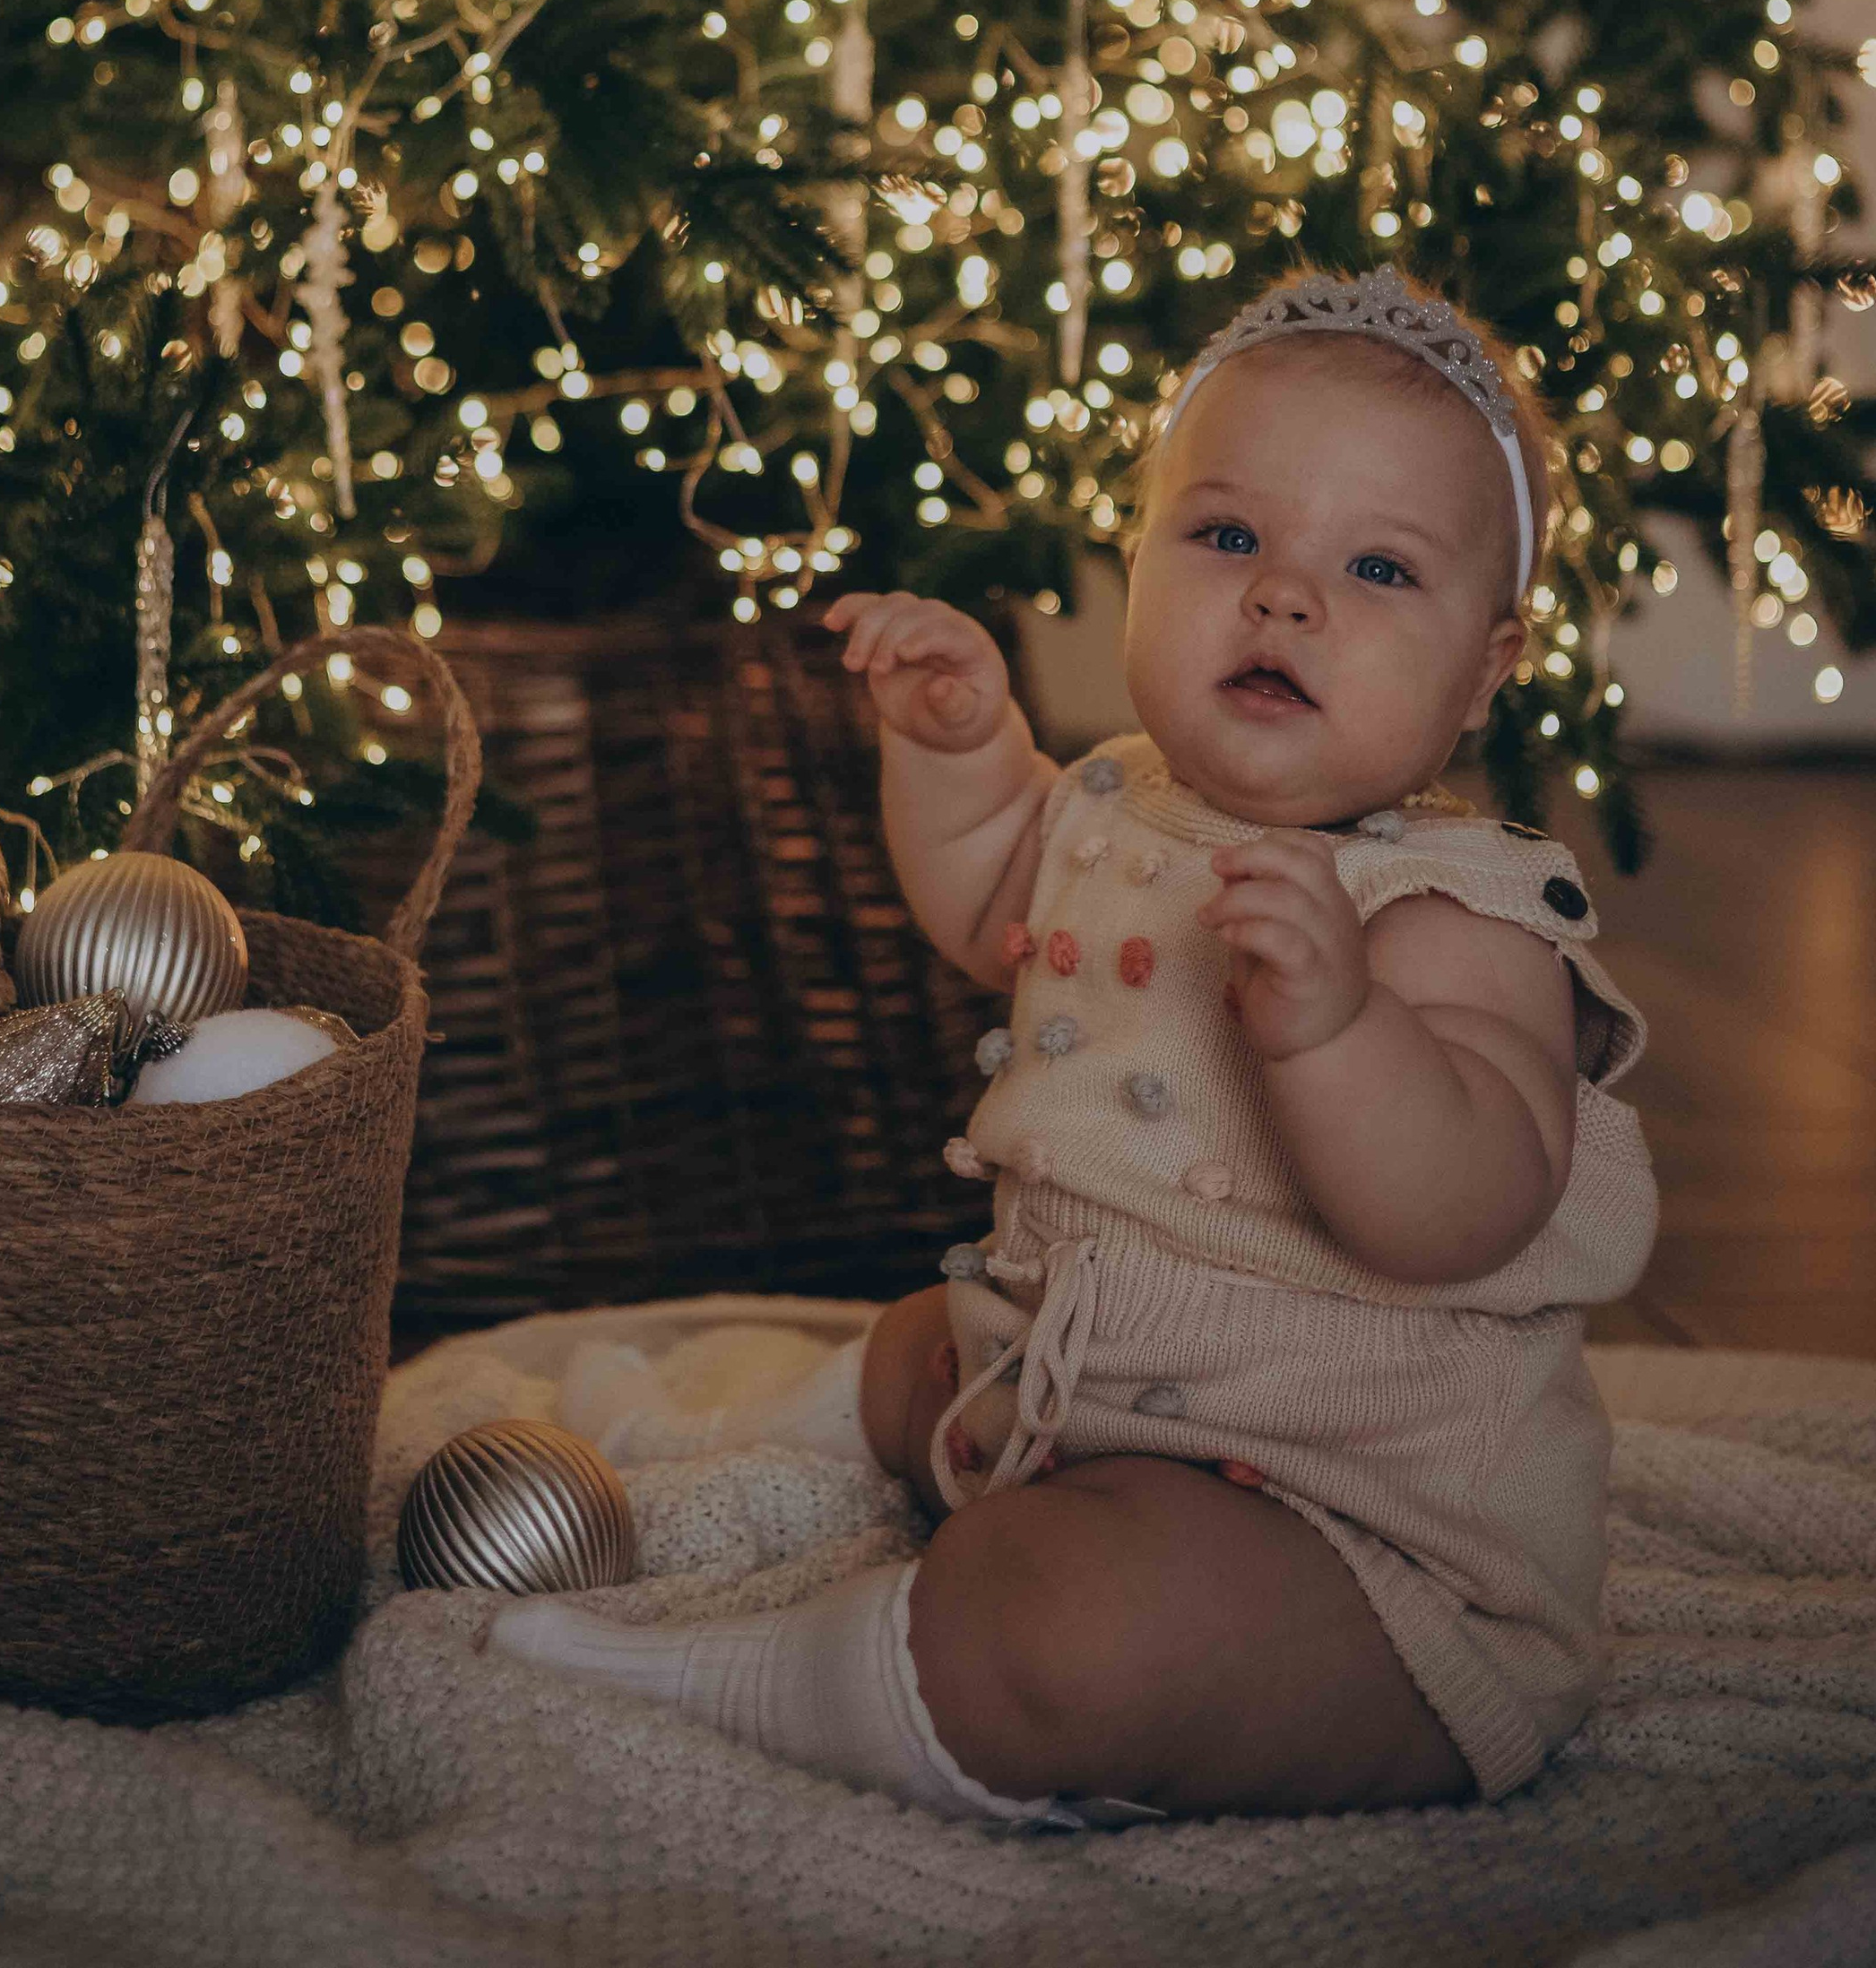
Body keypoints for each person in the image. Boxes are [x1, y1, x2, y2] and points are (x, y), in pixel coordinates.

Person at [491, 267, 1658, 1827]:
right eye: (1229, 536)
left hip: (1355, 1534)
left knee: (1060, 1633)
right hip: (1062, 1390)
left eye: (1379, 567)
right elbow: (988, 906)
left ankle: (763, 1681)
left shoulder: (1467, 911)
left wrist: (1342, 1027)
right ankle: (703, 1444)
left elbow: (1457, 1210)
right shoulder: (1120, 798)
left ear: (1487, 667)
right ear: (1141, 558)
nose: (1285, 594)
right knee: (925, 1343)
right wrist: (959, 753)